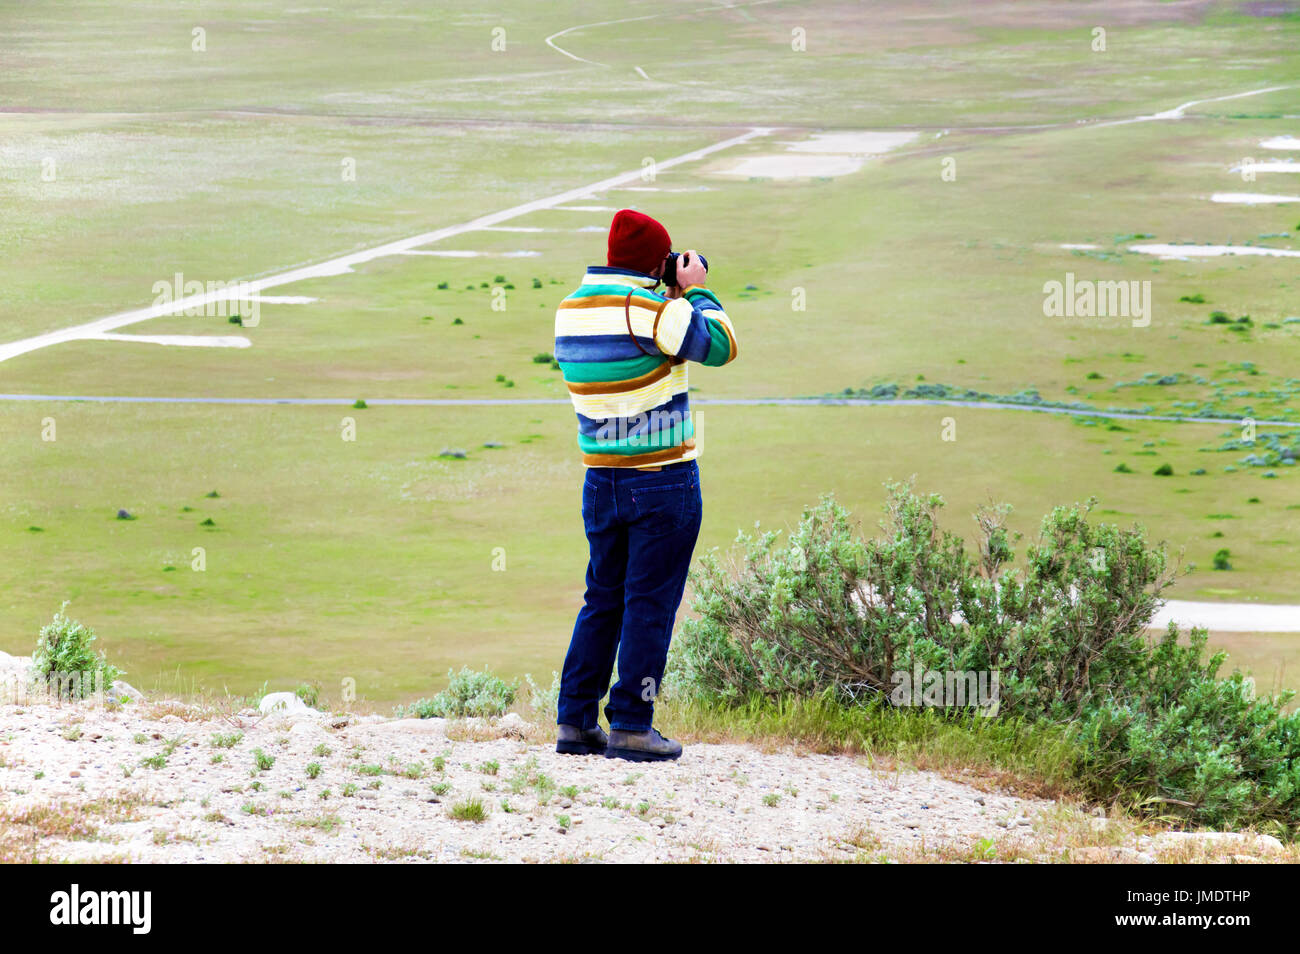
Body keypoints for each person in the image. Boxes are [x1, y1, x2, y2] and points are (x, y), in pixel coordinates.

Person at [552, 209, 738, 762]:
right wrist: (694, 291)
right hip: (661, 480)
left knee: (601, 599)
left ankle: (574, 720)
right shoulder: (655, 310)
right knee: (650, 604)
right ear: (654, 264)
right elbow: (722, 346)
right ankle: (632, 723)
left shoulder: (570, 310)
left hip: (600, 479)